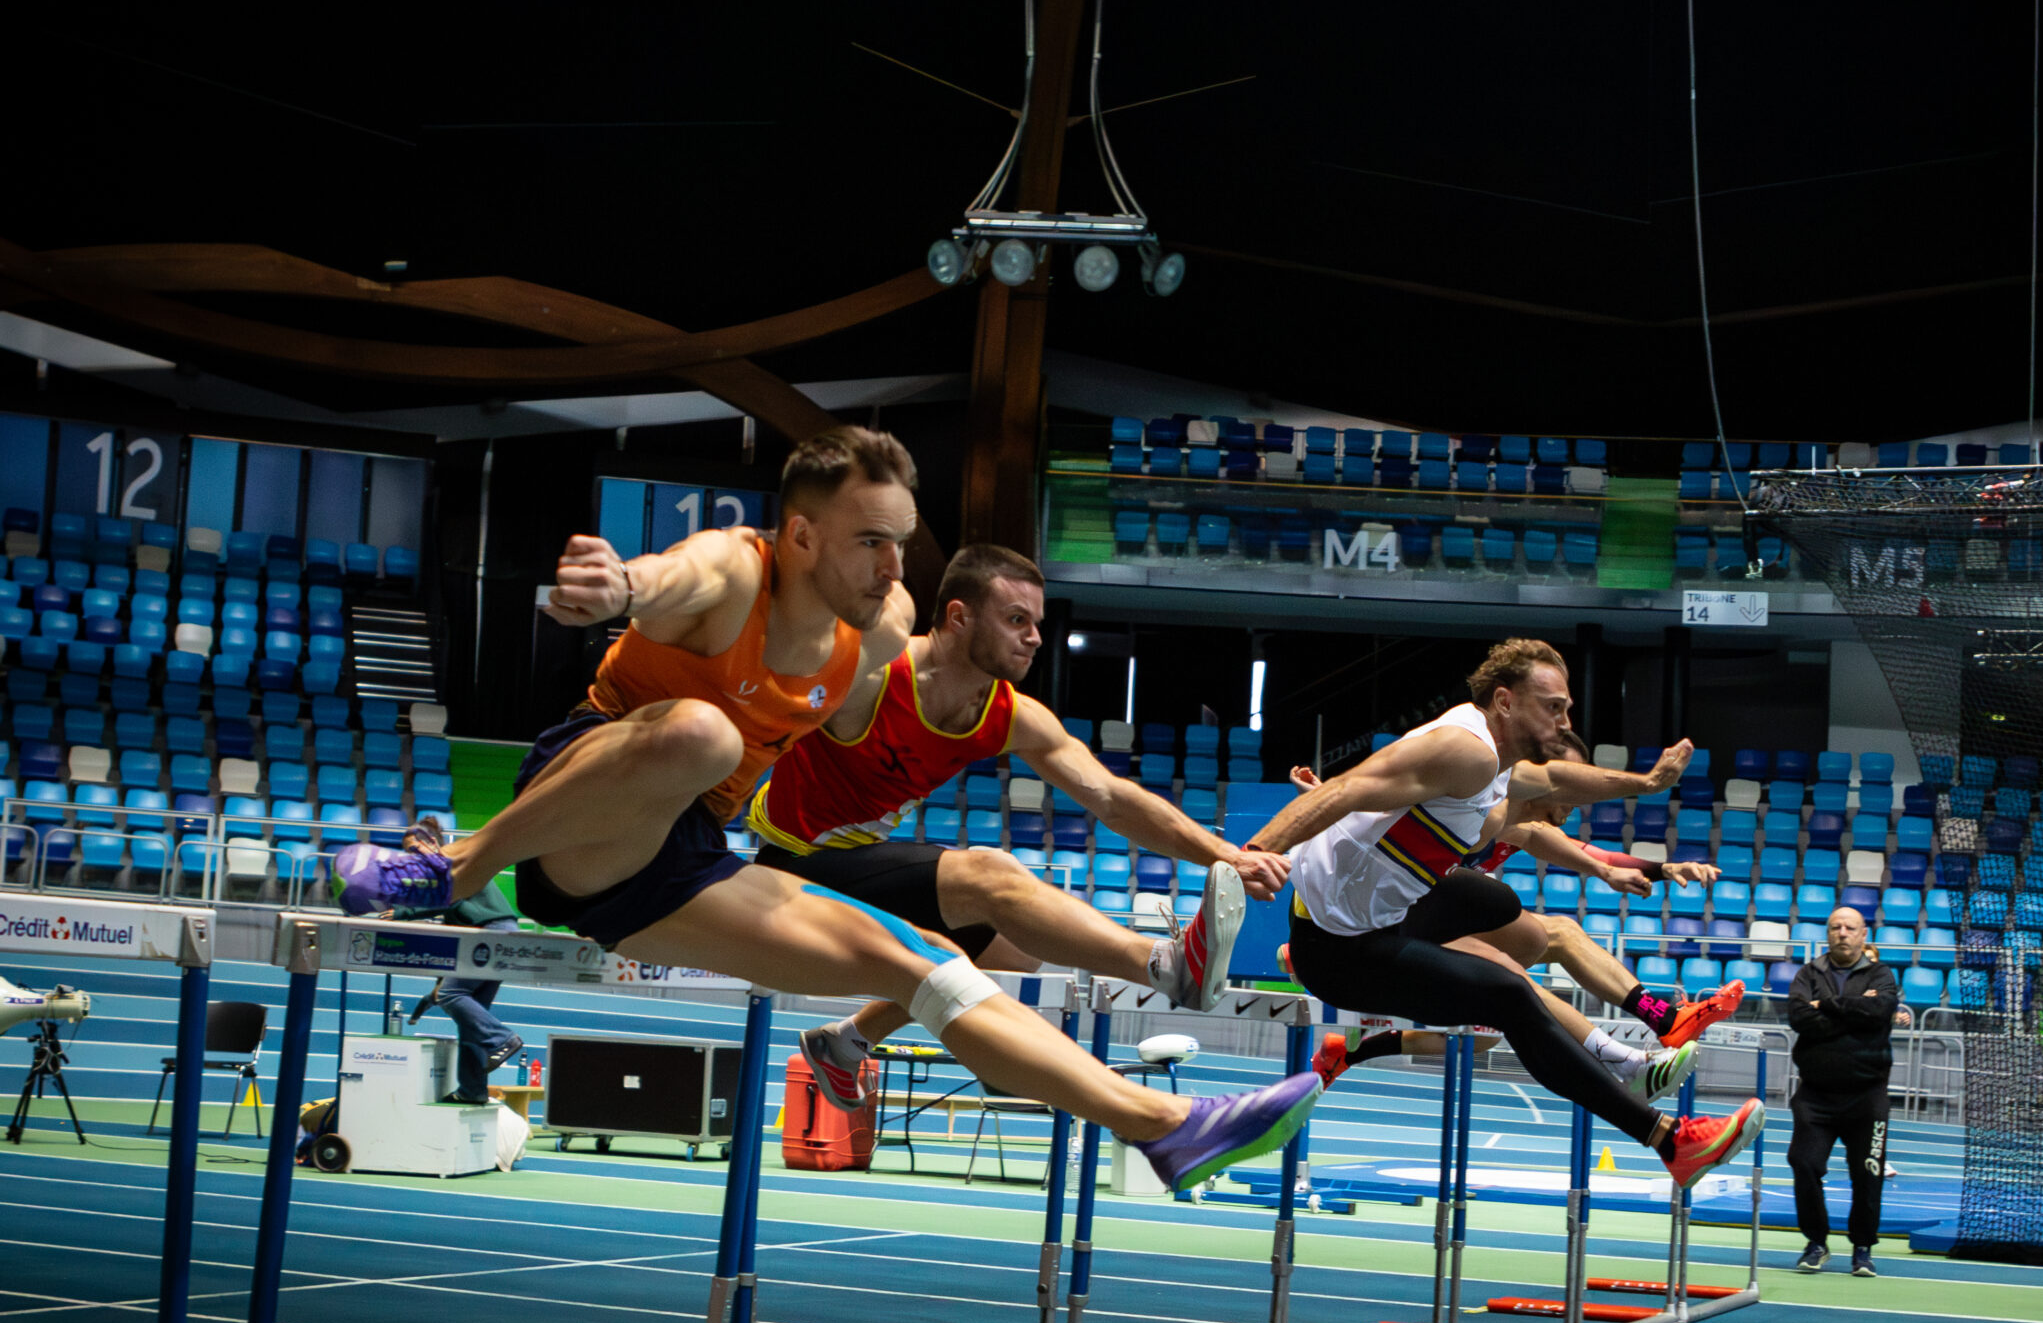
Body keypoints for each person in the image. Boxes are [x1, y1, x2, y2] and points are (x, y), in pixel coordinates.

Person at [329, 426, 1320, 1192]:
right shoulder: (737, 572)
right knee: (707, 737)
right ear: (802, 536)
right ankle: (453, 864)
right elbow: (665, 579)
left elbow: (1097, 785)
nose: (894, 568)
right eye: (871, 543)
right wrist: (620, 583)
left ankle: (1164, 1127)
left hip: (682, 864)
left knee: (927, 962)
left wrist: (1215, 853)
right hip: (590, 811)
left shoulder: (879, 633)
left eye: (902, 544)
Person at [751, 544, 1286, 1097]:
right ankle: (1166, 966)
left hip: (855, 864)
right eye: (1015, 620)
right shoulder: (873, 676)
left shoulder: (1009, 715)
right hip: (788, 868)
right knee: (990, 875)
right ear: (958, 617)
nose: (1033, 637)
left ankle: (844, 1042)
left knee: (1017, 950)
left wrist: (1225, 854)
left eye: (1036, 623)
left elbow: (1112, 797)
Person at [1242, 638, 1764, 1193]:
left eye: (1567, 708)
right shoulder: (1465, 750)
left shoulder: (1500, 768)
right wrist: (1248, 856)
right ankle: (1670, 1140)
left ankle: (1610, 1038)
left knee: (1496, 903)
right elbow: (1346, 790)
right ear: (1506, 701)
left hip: (1379, 912)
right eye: (1553, 707)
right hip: (1340, 947)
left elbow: (1560, 780)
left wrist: (1647, 784)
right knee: (1510, 996)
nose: (1565, 721)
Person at [1285, 739, 1738, 1105]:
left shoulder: (1522, 825)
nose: (1580, 799)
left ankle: (1352, 1050)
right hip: (1383, 924)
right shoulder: (1481, 805)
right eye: (1574, 785)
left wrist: (1661, 869)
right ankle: (1631, 1062)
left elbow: (1590, 855)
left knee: (1494, 1023)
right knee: (1514, 975)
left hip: (1433, 919)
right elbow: (1385, 804)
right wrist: (1330, 798)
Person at [1783, 905, 1908, 1277]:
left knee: (1868, 1172)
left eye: (1850, 928)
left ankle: (1862, 1248)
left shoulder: (1881, 974)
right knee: (1804, 1164)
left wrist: (1828, 1006)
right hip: (1815, 1095)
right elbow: (1799, 1017)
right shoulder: (1808, 974)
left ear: (1863, 934)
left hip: (1867, 1096)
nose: (1842, 933)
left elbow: (1881, 1010)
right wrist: (1857, 1013)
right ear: (1827, 933)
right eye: (1835, 927)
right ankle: (1816, 1242)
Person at [386, 820, 526, 1105]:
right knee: (470, 1019)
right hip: (498, 934)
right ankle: (472, 1091)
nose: (412, 856)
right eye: (407, 851)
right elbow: (454, 935)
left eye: (414, 848)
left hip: (492, 932)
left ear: (431, 842)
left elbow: (446, 900)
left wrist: (403, 913)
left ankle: (501, 1039)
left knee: (452, 994)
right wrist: (434, 991)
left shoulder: (447, 860)